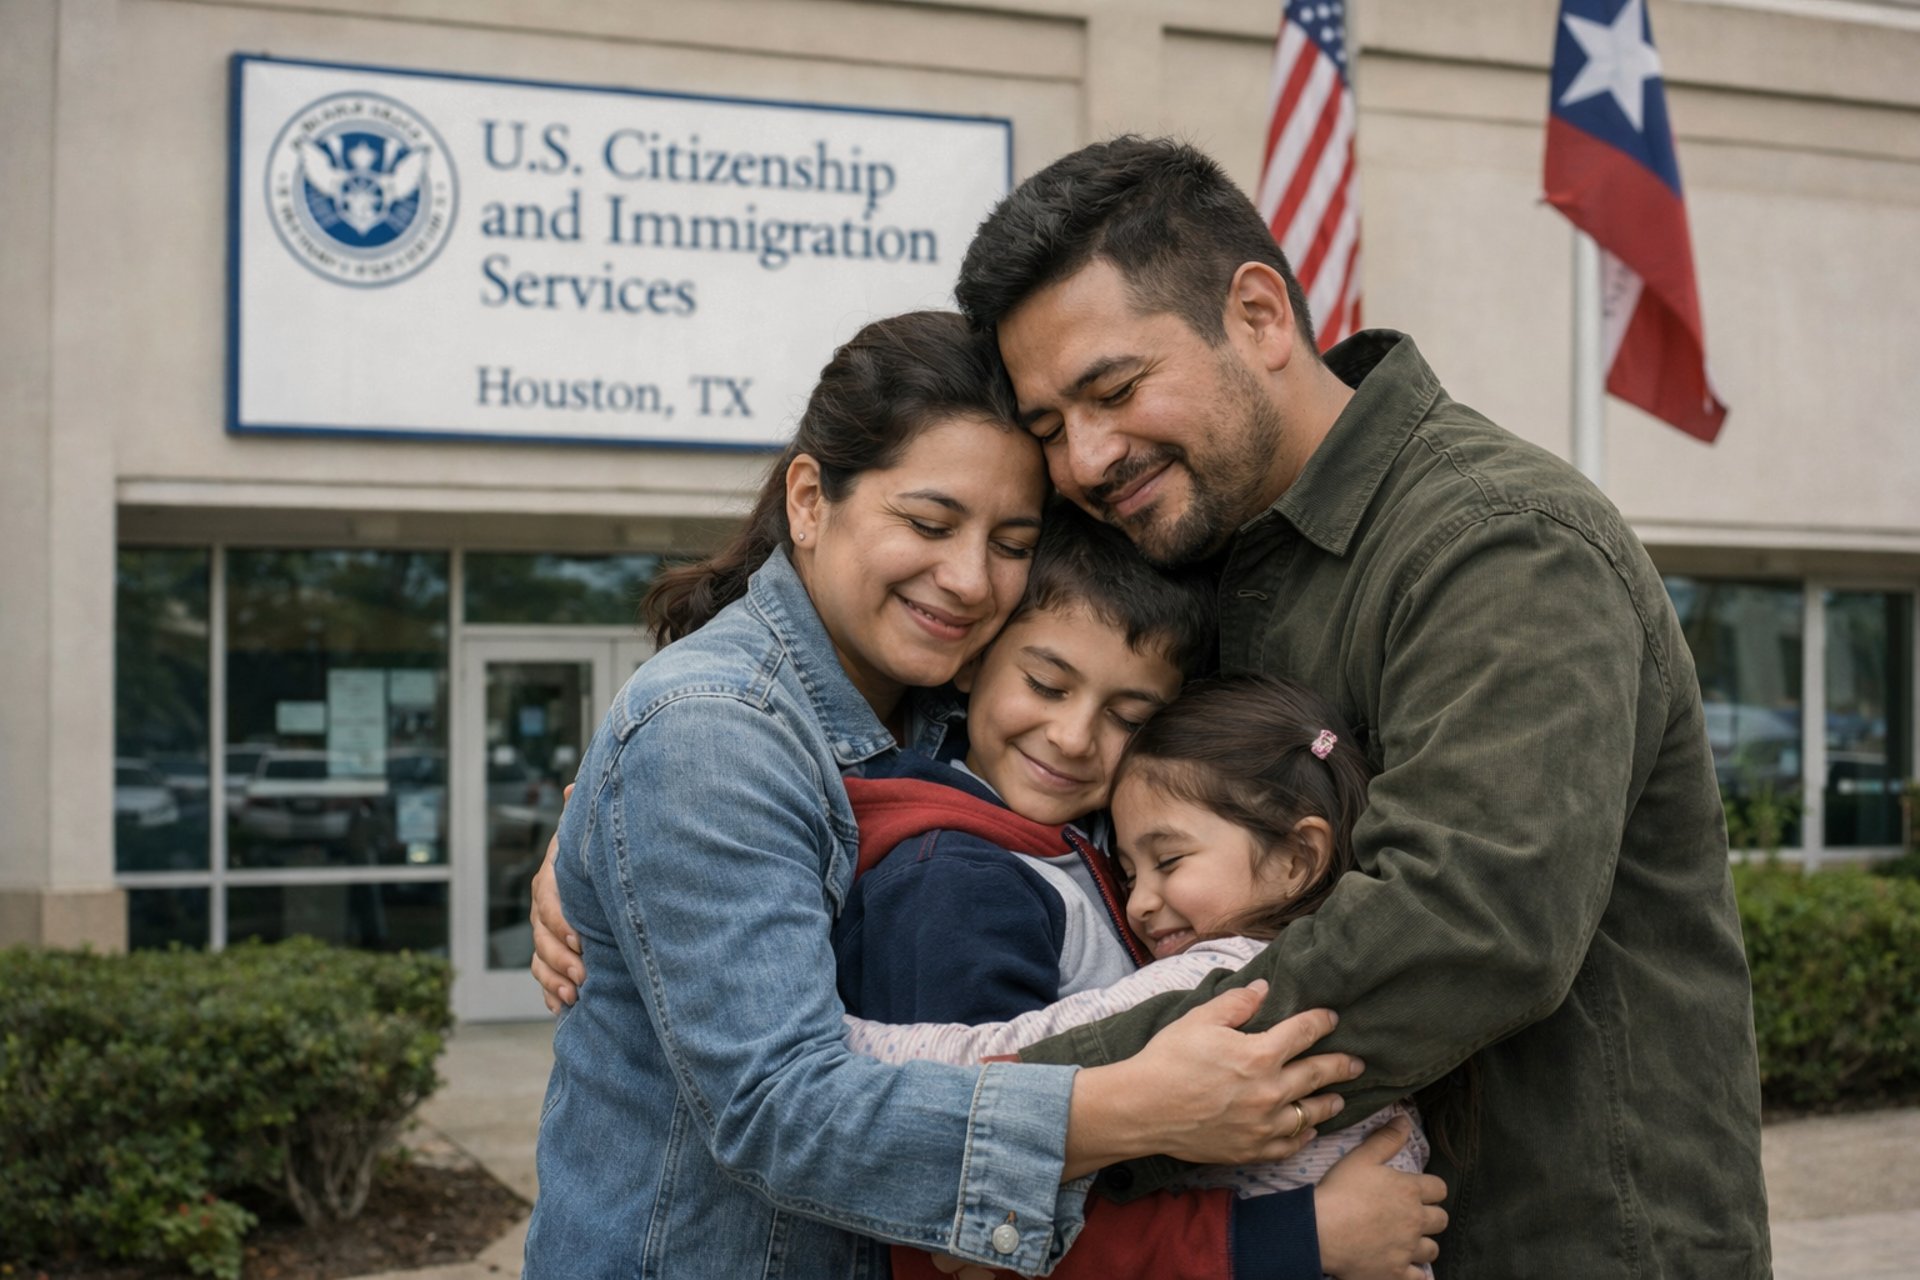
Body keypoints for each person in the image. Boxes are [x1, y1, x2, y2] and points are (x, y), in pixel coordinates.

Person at [951, 136, 1771, 1276]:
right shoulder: (1188, 560)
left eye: (1115, 388)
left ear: (1259, 314)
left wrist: (1036, 1119)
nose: (1086, 456)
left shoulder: (1501, 543)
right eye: (1050, 428)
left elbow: (1469, 921)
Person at [519, 309, 1391, 1280]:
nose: (970, 576)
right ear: (810, 499)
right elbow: (780, 1109)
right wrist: (1137, 1104)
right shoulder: (712, 727)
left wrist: (588, 836)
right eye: (929, 522)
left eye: (1010, 539)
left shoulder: (941, 711)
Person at [846, 675, 1433, 1280]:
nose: (1140, 904)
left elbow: (1003, 1059)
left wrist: (830, 1046)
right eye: (1128, 874)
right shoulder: (1353, 978)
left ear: (1295, 858)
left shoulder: (1219, 978)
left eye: (1169, 861)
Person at [833, 503, 1208, 1027]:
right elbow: (989, 1099)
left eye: (1129, 719)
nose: (1073, 739)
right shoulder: (951, 885)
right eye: (1046, 686)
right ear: (973, 659)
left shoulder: (1114, 838)